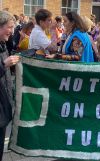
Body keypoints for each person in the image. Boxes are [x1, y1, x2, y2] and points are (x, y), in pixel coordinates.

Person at [0, 11, 20, 161]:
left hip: (3, 108)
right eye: (9, 27)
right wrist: (4, 65)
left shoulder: (2, 45)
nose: (12, 31)